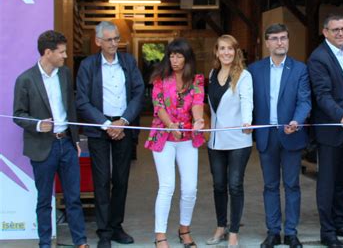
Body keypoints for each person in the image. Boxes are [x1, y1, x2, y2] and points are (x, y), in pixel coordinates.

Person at [13, 30, 88, 248]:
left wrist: (76, 140)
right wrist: (37, 124)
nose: (65, 56)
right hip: (42, 146)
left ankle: (80, 241)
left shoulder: (64, 73)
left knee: (73, 197)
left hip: (66, 143)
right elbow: (18, 114)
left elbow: (71, 108)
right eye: (62, 52)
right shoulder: (25, 79)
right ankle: (44, 243)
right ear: (48, 52)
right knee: (45, 200)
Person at [76, 21, 144, 248]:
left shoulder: (128, 62)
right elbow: (82, 101)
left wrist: (123, 121)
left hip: (123, 127)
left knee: (121, 180)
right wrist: (107, 124)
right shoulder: (88, 65)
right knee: (102, 181)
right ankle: (104, 231)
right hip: (99, 128)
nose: (115, 43)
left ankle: (116, 227)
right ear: (98, 42)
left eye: (117, 39)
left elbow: (138, 92)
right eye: (110, 39)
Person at [248, 23, 311, 248]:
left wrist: (297, 120)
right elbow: (248, 101)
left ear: (288, 40)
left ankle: (291, 232)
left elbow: (305, 100)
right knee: (270, 186)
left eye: (283, 38)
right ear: (267, 43)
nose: (279, 42)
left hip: (291, 134)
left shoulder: (299, 69)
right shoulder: (255, 70)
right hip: (267, 135)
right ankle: (273, 231)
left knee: (292, 185)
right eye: (274, 38)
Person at [307, 14, 343, 248]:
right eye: (335, 29)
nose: (340, 33)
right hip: (332, 128)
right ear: (325, 32)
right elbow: (322, 95)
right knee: (328, 182)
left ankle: (340, 223)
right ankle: (327, 231)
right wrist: (341, 114)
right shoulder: (318, 58)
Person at [144, 38, 205, 248]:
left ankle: (184, 230)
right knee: (167, 186)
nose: (175, 60)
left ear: (187, 58)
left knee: (190, 188)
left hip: (188, 137)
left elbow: (197, 103)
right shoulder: (159, 78)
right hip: (163, 137)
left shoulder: (196, 80)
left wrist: (198, 121)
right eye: (171, 55)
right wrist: (171, 125)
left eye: (179, 56)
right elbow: (158, 106)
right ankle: (160, 236)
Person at [206, 35, 253, 248]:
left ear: (236, 51)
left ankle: (233, 231)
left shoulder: (244, 76)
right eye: (222, 48)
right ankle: (220, 226)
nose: (226, 52)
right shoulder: (211, 74)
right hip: (215, 142)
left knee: (234, 185)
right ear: (216, 51)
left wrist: (247, 121)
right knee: (218, 185)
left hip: (238, 140)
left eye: (230, 49)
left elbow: (247, 101)